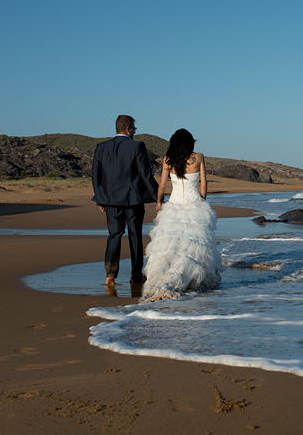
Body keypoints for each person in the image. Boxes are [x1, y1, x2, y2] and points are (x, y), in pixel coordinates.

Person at [140, 128, 221, 302]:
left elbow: (162, 186)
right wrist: (202, 201)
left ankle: (160, 278)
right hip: (194, 205)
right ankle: (187, 278)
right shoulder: (198, 157)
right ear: (190, 142)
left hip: (174, 205)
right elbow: (204, 184)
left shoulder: (168, 160)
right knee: (192, 245)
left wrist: (159, 202)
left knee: (170, 243)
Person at [91, 115, 159, 286]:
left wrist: (101, 199)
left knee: (114, 235)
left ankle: (110, 274)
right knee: (135, 236)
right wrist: (158, 195)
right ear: (128, 129)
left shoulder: (101, 147)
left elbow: (95, 175)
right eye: (134, 129)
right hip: (133, 200)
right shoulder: (137, 146)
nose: (135, 132)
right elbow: (145, 174)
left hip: (110, 200)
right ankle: (136, 274)